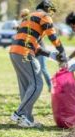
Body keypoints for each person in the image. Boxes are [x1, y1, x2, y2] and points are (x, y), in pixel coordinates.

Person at [9, 0, 67, 128]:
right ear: (47, 8)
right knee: (37, 84)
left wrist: (52, 55)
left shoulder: (29, 18)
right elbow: (53, 36)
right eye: (52, 11)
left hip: (14, 51)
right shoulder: (44, 16)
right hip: (24, 52)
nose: (52, 15)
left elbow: (36, 46)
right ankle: (19, 113)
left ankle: (27, 119)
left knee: (26, 86)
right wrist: (62, 51)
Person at [20, 8, 52, 92]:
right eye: (22, 16)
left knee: (43, 69)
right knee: (34, 70)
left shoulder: (32, 22)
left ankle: (51, 86)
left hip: (40, 50)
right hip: (33, 51)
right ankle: (31, 87)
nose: (23, 18)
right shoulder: (24, 23)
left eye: (24, 16)